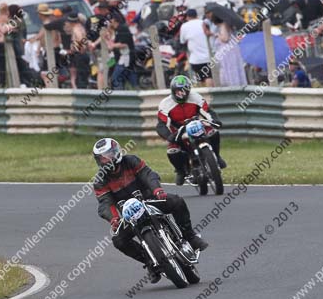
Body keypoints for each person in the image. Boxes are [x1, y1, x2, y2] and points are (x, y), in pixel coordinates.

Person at [92, 137, 208, 283]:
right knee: (119, 240)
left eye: (107, 155)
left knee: (177, 201)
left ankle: (190, 236)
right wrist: (113, 219)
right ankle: (149, 262)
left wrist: (157, 190)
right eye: (101, 158)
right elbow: (104, 203)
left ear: (116, 152)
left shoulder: (131, 161)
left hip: (149, 200)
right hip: (129, 215)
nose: (105, 160)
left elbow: (148, 174)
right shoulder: (100, 181)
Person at [156, 75, 225, 186]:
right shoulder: (165, 104)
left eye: (184, 91)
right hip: (178, 130)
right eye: (178, 91)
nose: (181, 94)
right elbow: (161, 125)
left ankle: (216, 156)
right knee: (172, 151)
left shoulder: (196, 97)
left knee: (213, 132)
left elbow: (208, 111)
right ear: (173, 91)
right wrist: (169, 136)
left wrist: (215, 121)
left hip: (196, 124)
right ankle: (180, 171)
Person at [179, 9, 213, 87]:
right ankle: (212, 94)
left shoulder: (184, 26)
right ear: (196, 16)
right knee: (209, 76)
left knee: (201, 78)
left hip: (195, 59)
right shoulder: (203, 23)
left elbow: (182, 41)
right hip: (209, 56)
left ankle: (204, 95)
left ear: (187, 17)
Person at [107, 14, 137, 89]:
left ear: (114, 20)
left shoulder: (122, 29)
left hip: (125, 57)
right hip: (124, 58)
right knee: (130, 76)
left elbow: (124, 44)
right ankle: (137, 90)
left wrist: (113, 46)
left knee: (115, 78)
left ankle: (119, 95)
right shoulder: (117, 30)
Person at [64, 12, 90, 88]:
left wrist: (73, 50)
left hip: (80, 56)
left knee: (81, 79)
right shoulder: (81, 27)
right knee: (82, 78)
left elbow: (81, 41)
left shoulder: (76, 29)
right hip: (83, 55)